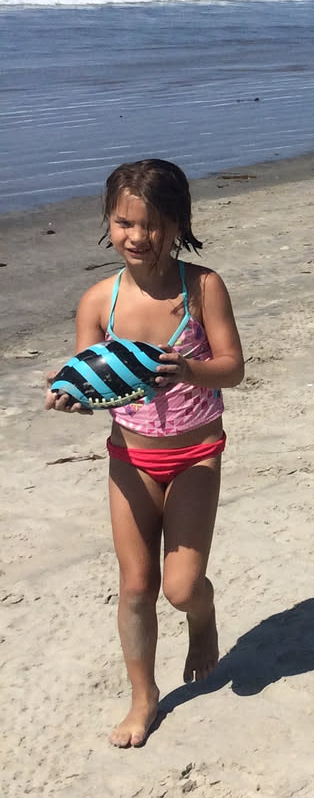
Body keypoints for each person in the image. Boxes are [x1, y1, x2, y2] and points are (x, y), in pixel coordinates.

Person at [46, 159, 245, 747]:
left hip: (196, 454)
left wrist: (190, 369)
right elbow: (88, 381)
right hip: (129, 460)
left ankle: (202, 616)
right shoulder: (97, 302)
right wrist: (71, 396)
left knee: (180, 587)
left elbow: (233, 368)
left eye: (152, 224)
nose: (137, 236)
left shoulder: (202, 287)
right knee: (136, 586)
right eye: (124, 223)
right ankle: (143, 697)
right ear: (109, 223)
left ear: (178, 223)